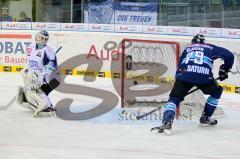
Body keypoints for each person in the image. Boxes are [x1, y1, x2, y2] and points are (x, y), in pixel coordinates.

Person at [152, 34, 234, 134]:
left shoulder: (187, 49)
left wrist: (181, 83)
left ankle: (167, 122)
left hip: (184, 75)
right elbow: (229, 55)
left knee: (174, 99)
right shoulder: (211, 47)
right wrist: (224, 70)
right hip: (204, 76)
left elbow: (180, 65)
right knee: (217, 92)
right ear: (203, 42)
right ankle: (206, 117)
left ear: (193, 42)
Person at [17, 30, 59, 117]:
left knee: (38, 90)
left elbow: (52, 66)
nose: (43, 40)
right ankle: (44, 104)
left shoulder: (49, 51)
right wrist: (27, 70)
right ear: (37, 37)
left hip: (52, 78)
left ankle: (46, 106)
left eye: (45, 39)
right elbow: (31, 63)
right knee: (33, 89)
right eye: (41, 38)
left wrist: (42, 77)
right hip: (37, 75)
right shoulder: (30, 47)